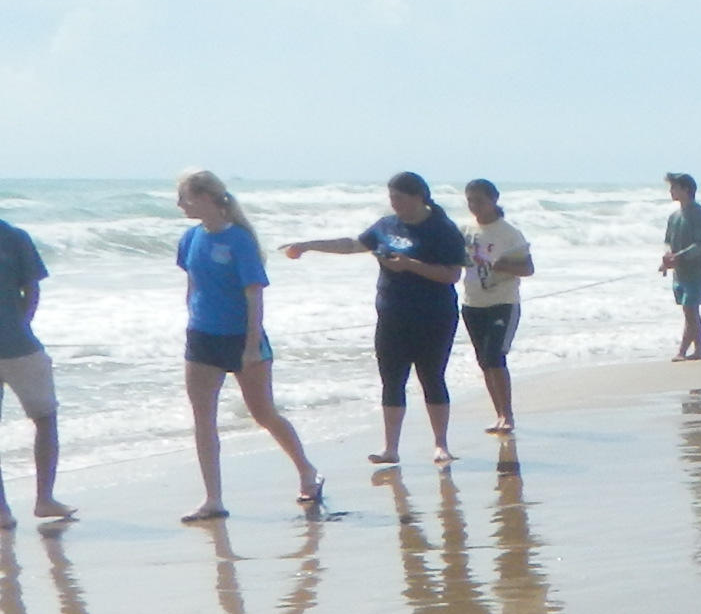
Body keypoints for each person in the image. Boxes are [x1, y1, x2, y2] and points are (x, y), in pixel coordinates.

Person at [284, 171, 469, 466]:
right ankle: (390, 448)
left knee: (431, 377)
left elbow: (452, 274)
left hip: (434, 314)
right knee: (391, 379)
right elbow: (353, 245)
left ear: (419, 197)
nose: (394, 203)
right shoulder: (386, 225)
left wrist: (409, 265)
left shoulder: (442, 229)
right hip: (392, 312)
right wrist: (308, 245)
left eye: (399, 198)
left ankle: (441, 445)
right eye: (391, 198)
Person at [174, 169, 324, 521]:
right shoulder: (190, 238)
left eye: (185, 197)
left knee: (263, 412)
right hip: (202, 337)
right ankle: (213, 499)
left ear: (207, 198)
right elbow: (192, 283)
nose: (180, 204)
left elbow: (254, 295)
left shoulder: (239, 240)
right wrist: (190, 320)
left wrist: (252, 345)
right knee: (203, 419)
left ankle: (306, 470)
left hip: (242, 338)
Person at [0, 208, 70, 527]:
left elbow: (32, 288)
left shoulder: (14, 237)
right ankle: (7, 508)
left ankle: (43, 498)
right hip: (18, 340)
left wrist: (21, 323)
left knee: (45, 416)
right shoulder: (14, 237)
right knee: (45, 417)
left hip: (19, 344)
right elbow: (32, 289)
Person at [458, 179, 534, 434]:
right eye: (470, 200)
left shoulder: (509, 233)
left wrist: (503, 266)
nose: (474, 205)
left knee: (495, 357)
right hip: (472, 303)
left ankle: (507, 414)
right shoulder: (465, 230)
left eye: (479, 199)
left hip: (503, 302)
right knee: (483, 361)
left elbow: (527, 268)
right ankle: (498, 413)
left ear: (494, 199)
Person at [659, 172, 701, 361]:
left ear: (686, 189)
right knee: (688, 310)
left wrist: (679, 257)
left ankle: (683, 351)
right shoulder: (674, 217)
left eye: (674, 187)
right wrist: (667, 259)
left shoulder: (699, 214)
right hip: (679, 272)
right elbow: (668, 242)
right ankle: (699, 350)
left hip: (696, 270)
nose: (671, 191)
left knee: (691, 309)